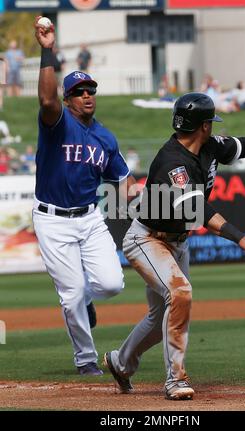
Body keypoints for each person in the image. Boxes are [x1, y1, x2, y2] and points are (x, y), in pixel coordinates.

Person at [103, 92, 245, 401]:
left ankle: (121, 363)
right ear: (204, 126)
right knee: (180, 293)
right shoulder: (173, 163)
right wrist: (240, 237)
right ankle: (175, 380)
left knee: (160, 320)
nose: (213, 127)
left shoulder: (209, 145)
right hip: (147, 239)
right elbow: (198, 210)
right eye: (210, 121)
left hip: (176, 242)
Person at [33, 17, 135, 375]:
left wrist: (144, 196)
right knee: (71, 294)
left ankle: (89, 300)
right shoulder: (57, 122)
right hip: (52, 218)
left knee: (111, 284)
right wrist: (47, 50)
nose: (87, 94)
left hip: (90, 218)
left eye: (90, 89)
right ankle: (86, 360)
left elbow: (123, 179)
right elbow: (46, 98)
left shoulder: (105, 137)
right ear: (68, 99)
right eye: (79, 91)